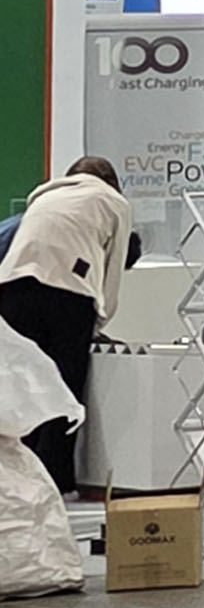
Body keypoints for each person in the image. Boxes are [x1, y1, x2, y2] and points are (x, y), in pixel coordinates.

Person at [0, 156, 135, 477]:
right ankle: (56, 476)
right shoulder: (114, 202)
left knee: (21, 383)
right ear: (112, 182)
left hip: (11, 286)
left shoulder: (42, 197)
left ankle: (16, 474)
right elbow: (113, 267)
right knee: (64, 385)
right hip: (69, 290)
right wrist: (101, 319)